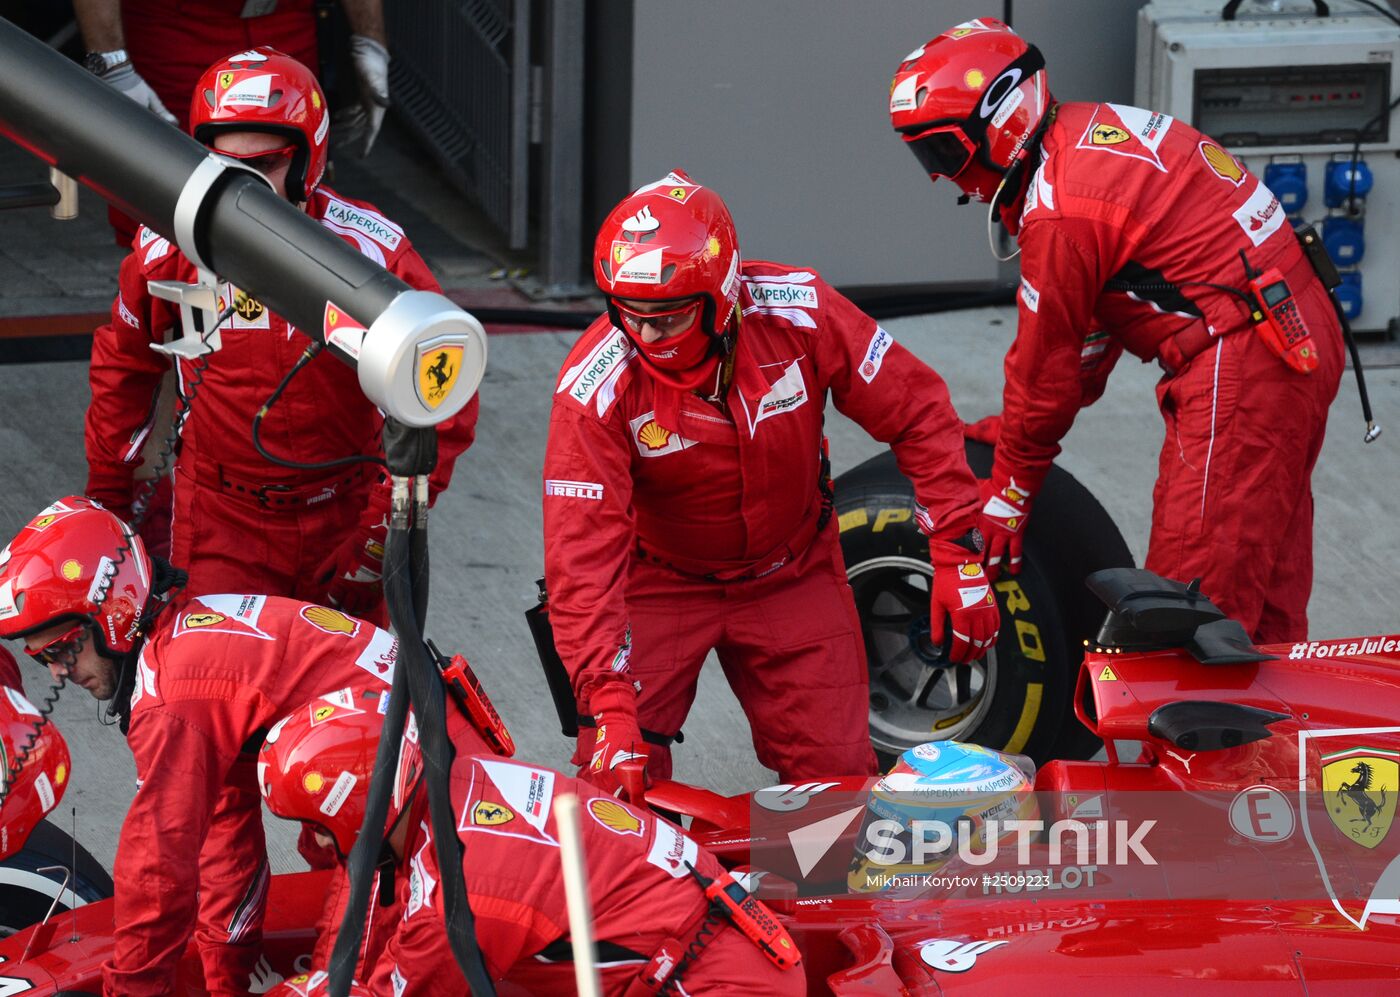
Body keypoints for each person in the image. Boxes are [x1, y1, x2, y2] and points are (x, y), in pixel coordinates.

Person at [542, 169, 999, 795]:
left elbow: (917, 408)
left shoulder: (802, 311)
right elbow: (580, 559)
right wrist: (608, 700)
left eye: (667, 318)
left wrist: (956, 552)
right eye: (630, 315)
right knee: (615, 785)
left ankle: (813, 892)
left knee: (839, 788)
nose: (645, 337)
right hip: (659, 585)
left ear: (721, 295)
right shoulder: (592, 391)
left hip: (792, 573)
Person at [888, 18, 1344, 644]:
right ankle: (1273, 735)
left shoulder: (1059, 210)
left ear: (1001, 119)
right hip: (1293, 327)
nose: (943, 176)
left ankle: (1206, 740)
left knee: (1192, 615)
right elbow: (1088, 331)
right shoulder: (1084, 131)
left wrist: (1011, 492)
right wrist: (1019, 439)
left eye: (943, 151)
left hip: (1247, 361)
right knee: (1261, 596)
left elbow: (1043, 364)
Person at [84, 48, 477, 629]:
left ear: (306, 159)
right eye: (223, 165)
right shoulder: (164, 249)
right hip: (221, 525)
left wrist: (376, 536)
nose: (242, 186)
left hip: (346, 521)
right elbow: (122, 370)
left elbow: (446, 401)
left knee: (352, 710)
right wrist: (108, 506)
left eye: (262, 164)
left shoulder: (375, 254)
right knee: (210, 702)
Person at [0, 495, 405, 995]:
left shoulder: (173, 697)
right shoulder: (182, 638)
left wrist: (131, 990)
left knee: (349, 977)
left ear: (112, 610)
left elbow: (156, 870)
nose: (59, 672)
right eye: (43, 660)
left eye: (61, 649)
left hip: (411, 780)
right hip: (394, 751)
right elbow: (224, 832)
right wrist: (224, 980)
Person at [258, 690, 805, 995]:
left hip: (713, 984)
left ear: (359, 810)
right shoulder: (459, 781)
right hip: (693, 937)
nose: (315, 844)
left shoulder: (465, 890)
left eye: (315, 826)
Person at [75, 0, 391, 241]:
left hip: (287, 19)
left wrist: (370, 38)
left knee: (295, 193)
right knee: (163, 203)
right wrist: (111, 61)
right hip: (177, 26)